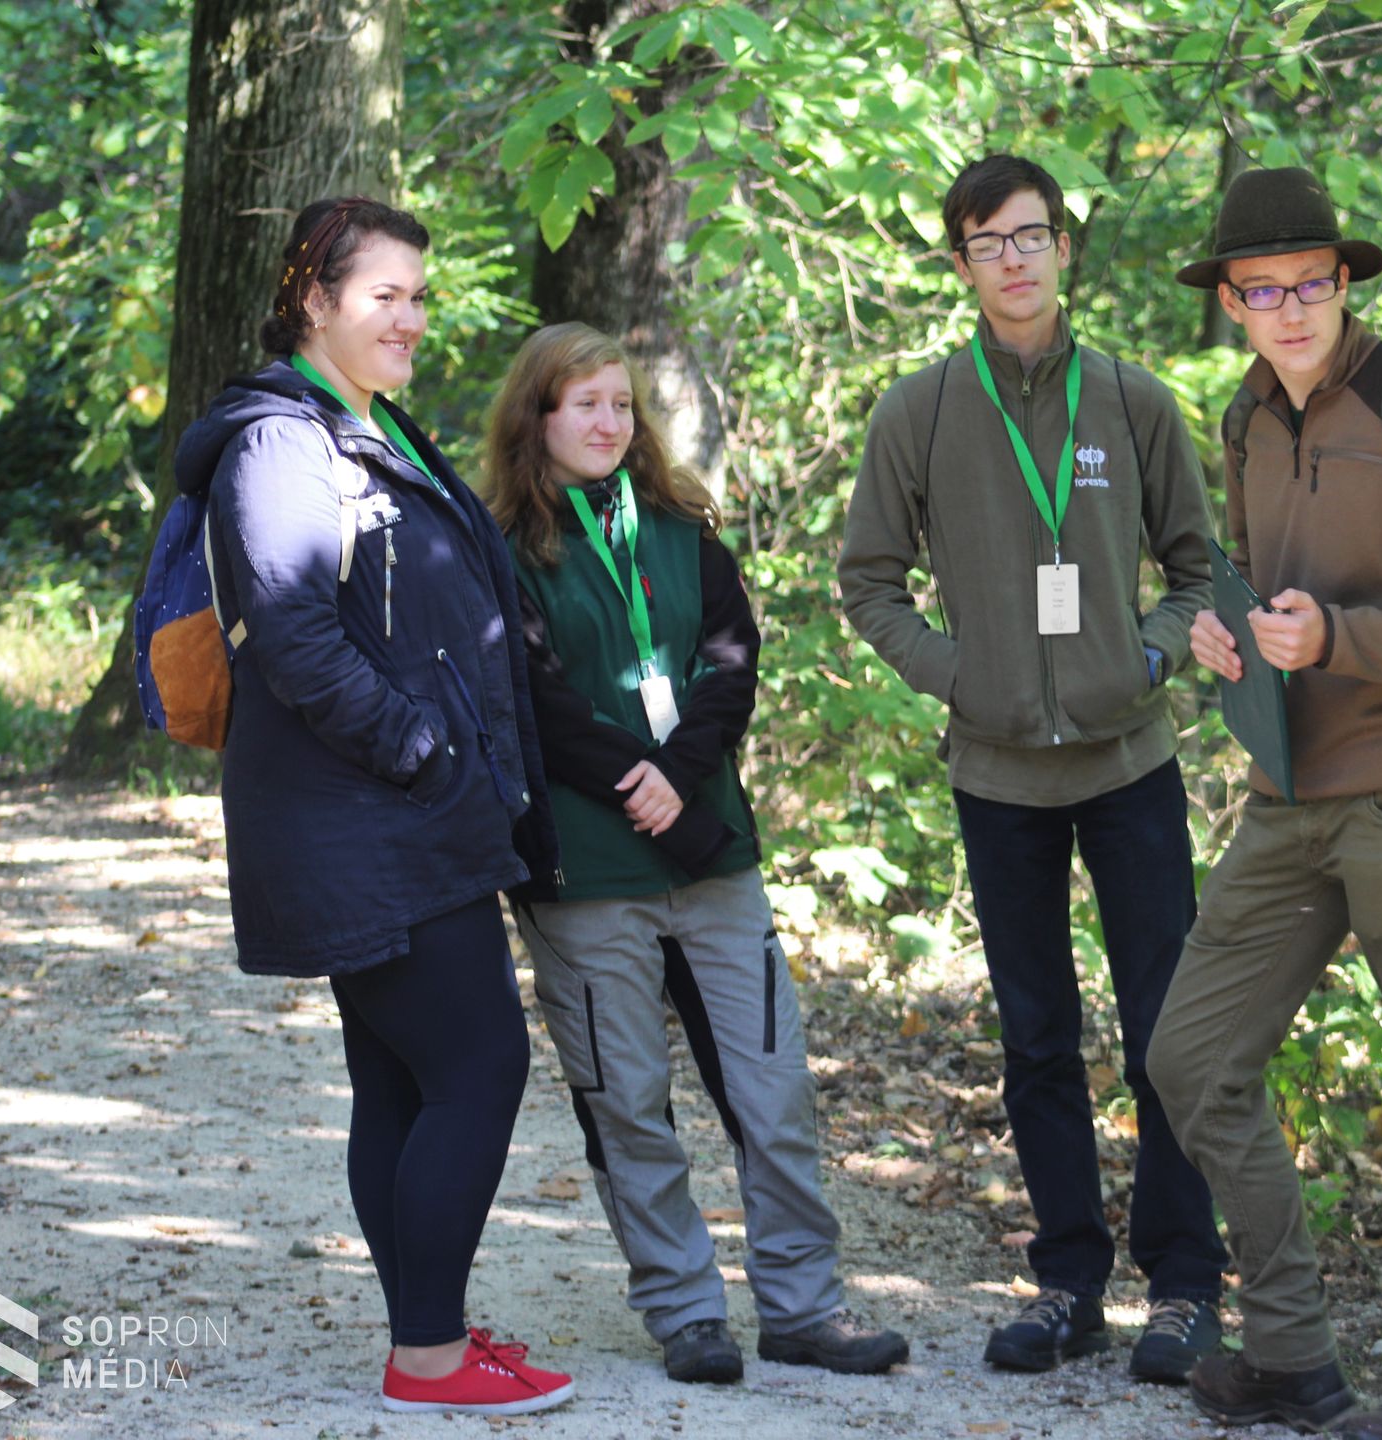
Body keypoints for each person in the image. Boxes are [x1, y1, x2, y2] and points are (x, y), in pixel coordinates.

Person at [1146, 166, 1382, 1439]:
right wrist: (1224, 633)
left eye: (1310, 283)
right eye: (1261, 291)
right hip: (1288, 792)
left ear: (1344, 282)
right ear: (1231, 304)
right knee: (1192, 1058)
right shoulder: (1247, 418)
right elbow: (1260, 582)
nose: (1290, 309)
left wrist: (1339, 641)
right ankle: (1292, 1355)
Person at [179, 196, 573, 1416]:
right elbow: (292, 635)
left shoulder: (368, 424)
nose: (409, 318)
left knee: (402, 1080)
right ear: (314, 299)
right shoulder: (280, 444)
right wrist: (421, 748)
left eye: (418, 296)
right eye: (382, 296)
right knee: (480, 1065)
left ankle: (428, 1336)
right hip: (371, 817)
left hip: (403, 812)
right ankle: (430, 1358)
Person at [839, 154, 1228, 1382]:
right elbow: (868, 583)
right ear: (960, 264)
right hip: (998, 776)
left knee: (1168, 1032)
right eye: (986, 242)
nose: (1012, 259)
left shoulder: (1134, 400)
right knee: (1038, 1035)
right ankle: (1069, 1284)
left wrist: (1147, 658)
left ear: (1065, 246)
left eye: (1030, 235)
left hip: (1130, 765)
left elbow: (1199, 572)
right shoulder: (920, 411)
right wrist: (962, 676)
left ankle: (1184, 1286)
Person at [482, 322, 909, 1386]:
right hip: (588, 871)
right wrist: (641, 779)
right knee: (626, 1099)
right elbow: (533, 698)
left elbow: (731, 662)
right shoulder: (501, 552)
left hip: (713, 858)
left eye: (621, 404)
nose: (607, 423)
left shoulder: (682, 530)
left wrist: (679, 771)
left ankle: (803, 1307)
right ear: (537, 417)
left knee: (774, 1089)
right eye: (584, 403)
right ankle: (685, 1313)